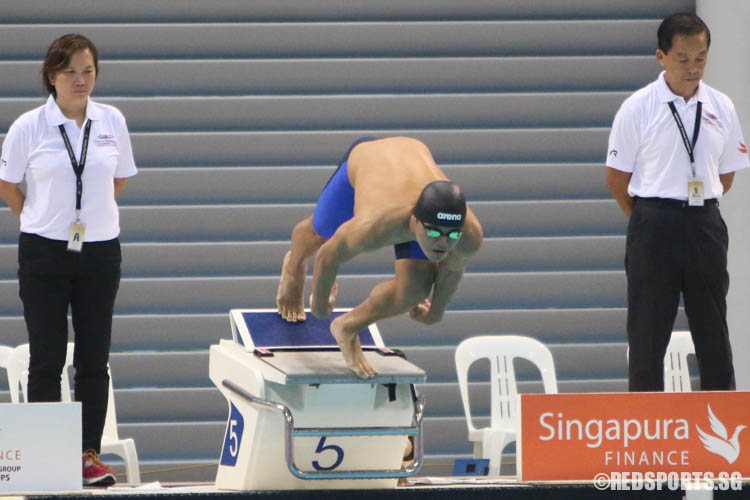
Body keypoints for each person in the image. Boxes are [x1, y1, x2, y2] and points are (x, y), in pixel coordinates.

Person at [0, 34, 137, 486]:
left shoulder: (111, 120)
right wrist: (40, 217)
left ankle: (87, 456)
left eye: (88, 71)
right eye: (71, 71)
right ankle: (44, 459)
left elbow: (117, 179)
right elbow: (7, 183)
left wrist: (86, 218)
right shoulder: (29, 126)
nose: (81, 80)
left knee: (95, 358)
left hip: (100, 251)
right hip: (43, 252)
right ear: (51, 76)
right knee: (47, 356)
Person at [605, 13, 749, 391]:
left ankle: (724, 434)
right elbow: (616, 179)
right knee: (648, 334)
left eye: (700, 58)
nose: (692, 68)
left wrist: (696, 209)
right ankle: (646, 431)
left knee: (713, 332)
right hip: (653, 222)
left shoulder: (722, 106)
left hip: (705, 224)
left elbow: (727, 174)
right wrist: (650, 217)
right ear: (661, 57)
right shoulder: (638, 108)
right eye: (683, 58)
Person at [276, 136, 483, 378]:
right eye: (435, 233)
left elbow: (452, 270)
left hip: (413, 161)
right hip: (368, 158)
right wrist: (320, 308)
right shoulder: (372, 226)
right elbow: (327, 257)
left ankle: (346, 326)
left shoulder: (469, 236)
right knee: (319, 232)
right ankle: (293, 266)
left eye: (451, 235)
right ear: (414, 221)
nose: (443, 243)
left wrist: (436, 311)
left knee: (414, 291)